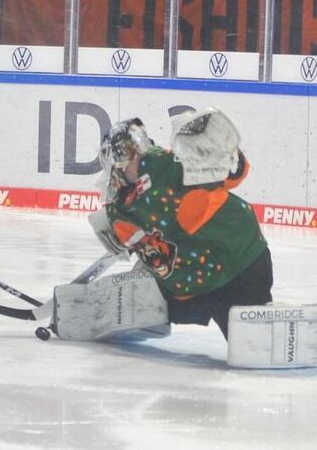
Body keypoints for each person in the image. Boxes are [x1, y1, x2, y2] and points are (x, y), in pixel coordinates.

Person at [90, 110, 272, 339]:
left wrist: (226, 153)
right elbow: (132, 241)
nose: (132, 161)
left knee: (253, 343)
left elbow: (236, 172)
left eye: (133, 154)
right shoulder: (119, 205)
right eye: (126, 157)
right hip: (196, 285)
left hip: (240, 263)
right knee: (141, 292)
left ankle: (275, 323)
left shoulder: (168, 164)